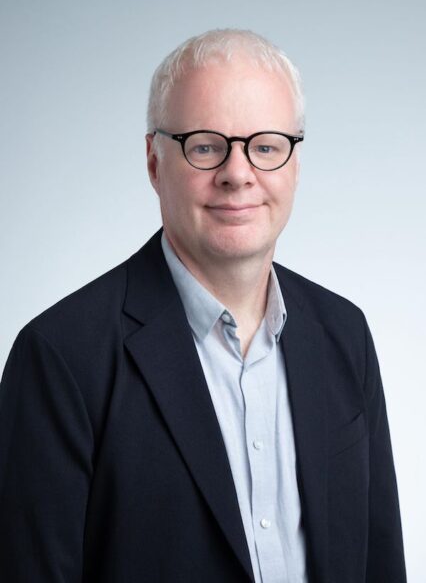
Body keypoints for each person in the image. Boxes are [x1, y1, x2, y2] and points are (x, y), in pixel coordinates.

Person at [0, 29, 406, 583]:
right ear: (153, 162)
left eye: (266, 146)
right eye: (206, 145)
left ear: (294, 165)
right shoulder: (60, 357)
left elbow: (381, 562)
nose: (238, 174)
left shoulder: (344, 333)